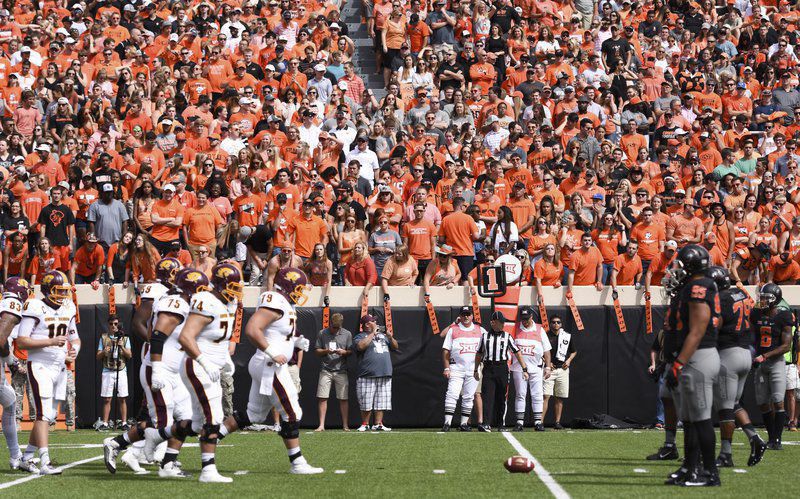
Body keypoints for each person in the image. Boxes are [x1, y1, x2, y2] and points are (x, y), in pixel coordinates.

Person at [216, 267, 324, 475]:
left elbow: (277, 331)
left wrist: (295, 340)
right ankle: (298, 463)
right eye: (299, 288)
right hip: (270, 365)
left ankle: (212, 436)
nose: (301, 293)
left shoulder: (284, 304)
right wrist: (272, 351)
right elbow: (252, 329)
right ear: (288, 285)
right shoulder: (275, 301)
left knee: (253, 415)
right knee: (292, 413)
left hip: (267, 364)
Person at [176, 263, 243, 483]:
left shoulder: (224, 304)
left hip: (211, 367)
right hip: (198, 366)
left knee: (196, 423)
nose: (236, 291)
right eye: (232, 286)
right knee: (213, 417)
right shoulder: (207, 302)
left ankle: (148, 439)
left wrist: (225, 360)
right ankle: (208, 471)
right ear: (221, 284)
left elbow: (218, 339)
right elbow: (185, 337)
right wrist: (205, 362)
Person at [661, 244, 721, 486]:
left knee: (701, 419)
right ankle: (690, 468)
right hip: (695, 356)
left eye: (680, 265)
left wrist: (678, 364)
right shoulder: (694, 286)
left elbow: (697, 331)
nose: (676, 269)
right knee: (691, 418)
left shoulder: (699, 287)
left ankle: (709, 473)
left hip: (698, 357)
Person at [16, 270, 80, 475]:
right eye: (58, 291)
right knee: (43, 413)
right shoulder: (35, 305)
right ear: (46, 289)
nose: (63, 295)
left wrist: (74, 350)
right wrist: (50, 342)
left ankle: (27, 457)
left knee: (49, 415)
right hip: (40, 364)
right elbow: (22, 340)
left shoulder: (68, 307)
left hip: (60, 367)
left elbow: (75, 338)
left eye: (64, 291)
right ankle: (44, 461)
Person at [706, 267, 767, 467]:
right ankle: (753, 438)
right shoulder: (740, 292)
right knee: (734, 403)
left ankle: (726, 454)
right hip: (745, 352)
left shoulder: (721, 299)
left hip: (728, 354)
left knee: (724, 409)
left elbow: (717, 325)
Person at [0, 277, 37, 473]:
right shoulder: (11, 303)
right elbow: (0, 339)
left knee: (10, 401)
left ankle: (15, 456)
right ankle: (15, 456)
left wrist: (10, 362)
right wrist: (12, 363)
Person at [750, 282, 793, 451]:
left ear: (776, 299)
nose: (763, 301)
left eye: (767, 298)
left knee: (777, 400)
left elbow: (786, 346)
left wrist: (765, 355)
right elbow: (750, 336)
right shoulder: (755, 314)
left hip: (775, 362)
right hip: (760, 363)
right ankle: (771, 437)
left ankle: (778, 439)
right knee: (762, 403)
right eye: (762, 297)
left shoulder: (784, 316)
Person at [474, 311, 529, 432]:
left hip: (502, 368)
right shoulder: (485, 336)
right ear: (493, 322)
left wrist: (524, 368)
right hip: (488, 368)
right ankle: (486, 423)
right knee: (487, 396)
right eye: (500, 322)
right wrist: (476, 369)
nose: (503, 324)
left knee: (501, 397)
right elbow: (479, 353)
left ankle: (500, 424)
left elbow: (517, 352)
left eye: (503, 322)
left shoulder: (507, 336)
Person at [354, 314, 398, 432]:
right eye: (373, 321)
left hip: (384, 372)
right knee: (366, 401)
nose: (376, 323)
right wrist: (373, 333)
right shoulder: (360, 336)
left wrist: (390, 337)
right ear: (367, 324)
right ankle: (365, 424)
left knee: (381, 401)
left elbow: (395, 346)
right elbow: (360, 346)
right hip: (367, 374)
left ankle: (378, 424)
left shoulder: (383, 336)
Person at [512, 307, 552, 432]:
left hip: (536, 368)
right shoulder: (515, 328)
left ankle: (538, 422)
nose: (525, 321)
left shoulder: (539, 329)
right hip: (519, 368)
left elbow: (546, 350)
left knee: (537, 395)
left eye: (527, 319)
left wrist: (548, 367)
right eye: (523, 319)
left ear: (532, 317)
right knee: (520, 394)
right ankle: (519, 422)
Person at [314, 313, 353, 432]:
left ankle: (345, 425)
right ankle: (321, 425)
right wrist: (326, 351)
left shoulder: (347, 334)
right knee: (322, 397)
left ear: (341, 325)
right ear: (330, 323)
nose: (335, 330)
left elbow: (351, 351)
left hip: (341, 370)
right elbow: (316, 351)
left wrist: (344, 352)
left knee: (343, 398)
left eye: (337, 328)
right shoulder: (322, 333)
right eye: (333, 327)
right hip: (325, 370)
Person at [95, 315, 131, 431]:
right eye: (111, 324)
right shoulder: (104, 338)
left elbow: (129, 355)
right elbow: (98, 356)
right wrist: (104, 352)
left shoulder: (125, 338)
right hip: (107, 369)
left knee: (122, 397)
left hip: (121, 369)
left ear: (118, 324)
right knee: (107, 398)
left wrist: (122, 348)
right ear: (108, 325)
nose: (113, 326)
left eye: (115, 324)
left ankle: (124, 422)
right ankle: (105, 423)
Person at [543, 315, 577, 430]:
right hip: (549, 370)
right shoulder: (545, 335)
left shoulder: (566, 336)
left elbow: (574, 351)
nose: (556, 324)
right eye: (553, 322)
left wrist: (569, 360)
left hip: (562, 369)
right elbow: (540, 351)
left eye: (558, 322)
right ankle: (540, 422)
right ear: (550, 324)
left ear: (561, 324)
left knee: (559, 397)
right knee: (546, 396)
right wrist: (547, 362)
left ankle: (557, 422)